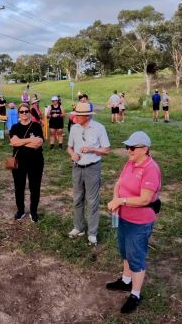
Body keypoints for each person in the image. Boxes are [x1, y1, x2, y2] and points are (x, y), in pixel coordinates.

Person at [106, 131, 161, 314]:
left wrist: (121, 201)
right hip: (124, 217)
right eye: (127, 147)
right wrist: (116, 198)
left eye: (132, 147)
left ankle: (136, 294)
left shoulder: (150, 168)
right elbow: (119, 183)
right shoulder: (130, 163)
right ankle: (125, 280)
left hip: (140, 222)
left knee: (136, 256)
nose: (128, 150)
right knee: (125, 250)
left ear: (144, 149)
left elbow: (145, 199)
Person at [67, 102, 110, 245]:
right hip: (77, 168)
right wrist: (72, 154)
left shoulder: (99, 128)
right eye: (76, 114)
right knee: (77, 199)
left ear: (87, 116)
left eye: (79, 115)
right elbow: (69, 147)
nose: (76, 117)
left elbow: (106, 150)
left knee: (92, 201)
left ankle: (92, 233)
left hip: (92, 168)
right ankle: (78, 227)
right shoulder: (74, 128)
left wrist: (92, 149)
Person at [10, 103, 44, 222]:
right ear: (18, 114)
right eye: (22, 111)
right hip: (19, 162)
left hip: (36, 161)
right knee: (19, 187)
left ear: (30, 112)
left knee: (35, 187)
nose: (24, 113)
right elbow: (14, 142)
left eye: (26, 111)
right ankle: (20, 211)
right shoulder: (15, 127)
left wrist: (21, 141)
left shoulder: (36, 126)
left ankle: (33, 211)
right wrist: (30, 140)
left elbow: (38, 143)